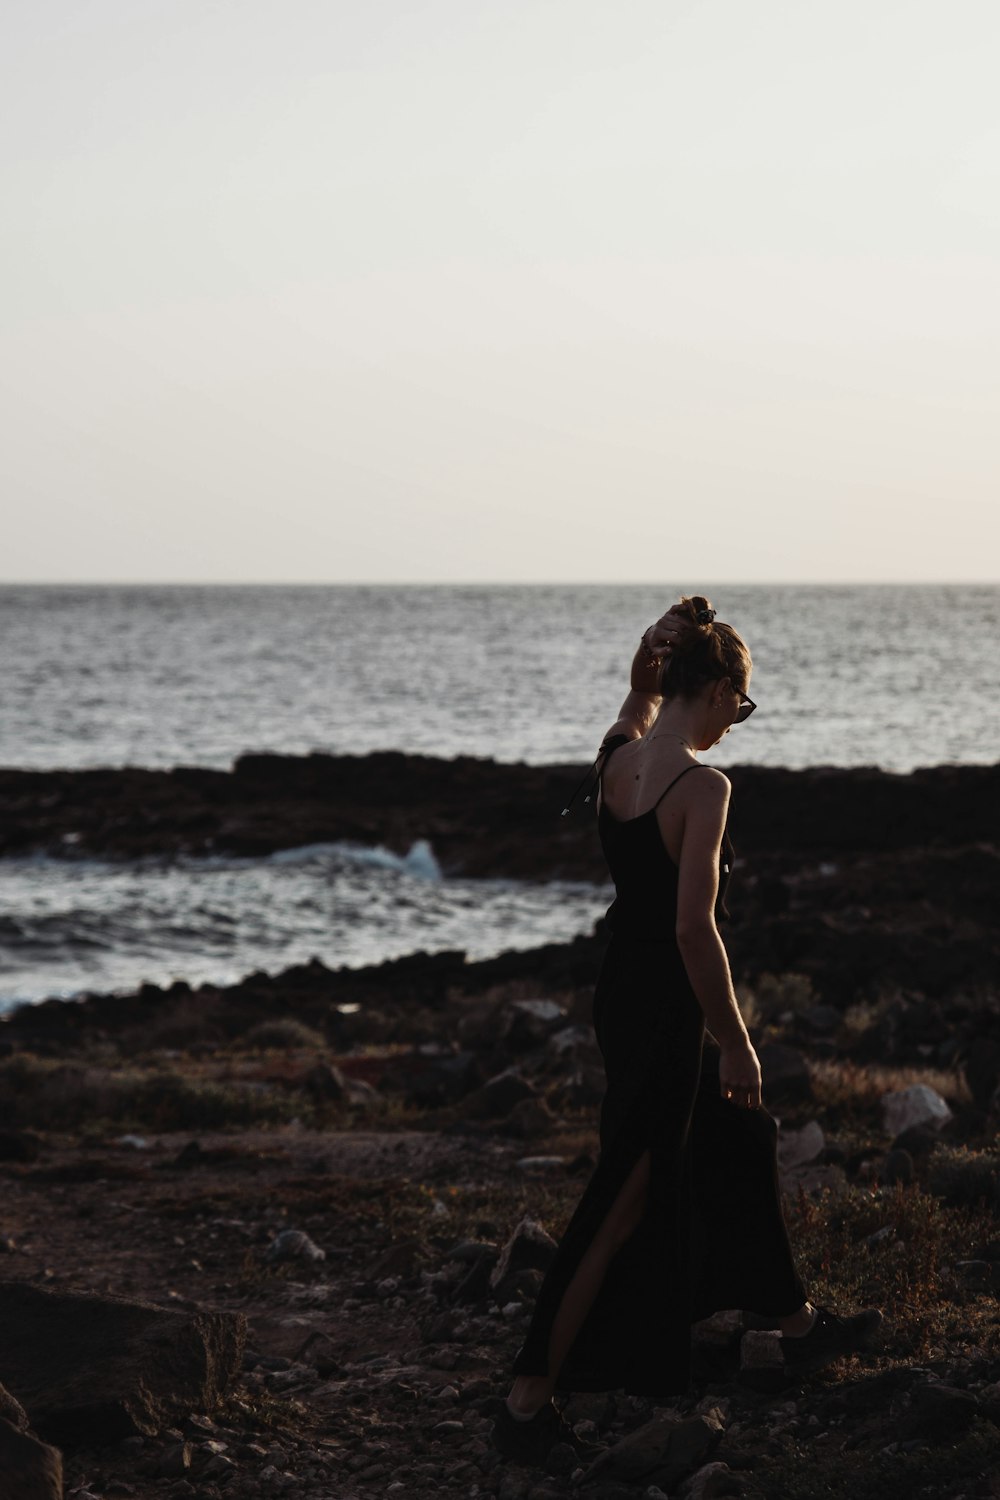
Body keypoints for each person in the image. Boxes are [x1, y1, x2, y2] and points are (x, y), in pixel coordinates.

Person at [492, 594, 883, 1467]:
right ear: (716, 691)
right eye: (738, 708)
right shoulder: (704, 786)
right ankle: (525, 1403)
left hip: (618, 996)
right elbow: (692, 928)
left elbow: (633, 703)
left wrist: (644, 661)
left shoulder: (620, 761)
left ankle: (792, 1326)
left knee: (737, 1137)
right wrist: (737, 1037)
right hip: (667, 1006)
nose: (735, 726)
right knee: (619, 1201)